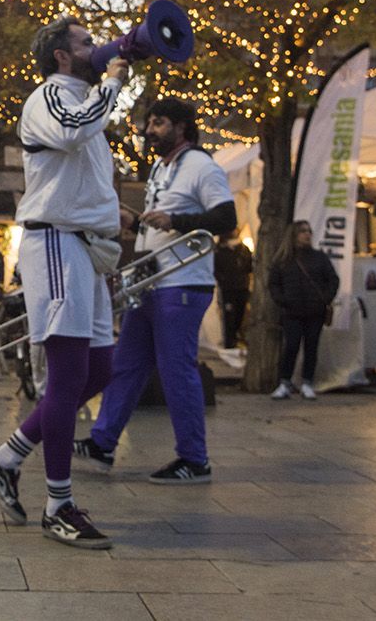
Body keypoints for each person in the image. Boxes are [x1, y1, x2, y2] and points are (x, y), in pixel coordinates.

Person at [0, 17, 128, 549]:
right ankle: (58, 505)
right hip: (57, 243)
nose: (97, 47)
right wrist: (112, 84)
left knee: (103, 365)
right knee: (66, 377)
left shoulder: (84, 100)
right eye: (86, 42)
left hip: (84, 246)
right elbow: (70, 131)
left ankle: (7, 457)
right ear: (62, 57)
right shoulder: (49, 97)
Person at [78, 96, 235, 485]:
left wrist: (176, 219)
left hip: (181, 283)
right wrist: (135, 221)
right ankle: (102, 442)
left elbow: (225, 216)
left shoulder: (200, 165)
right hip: (151, 281)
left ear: (182, 127)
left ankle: (194, 459)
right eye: (149, 123)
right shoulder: (162, 169)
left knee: (176, 369)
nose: (150, 131)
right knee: (127, 364)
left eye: (159, 123)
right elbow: (163, 221)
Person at [268, 221, 339, 400]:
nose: (307, 235)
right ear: (294, 235)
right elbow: (273, 283)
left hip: (314, 311)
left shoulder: (319, 258)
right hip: (292, 311)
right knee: (291, 346)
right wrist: (283, 300)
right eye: (302, 232)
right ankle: (285, 382)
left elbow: (333, 280)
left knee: (311, 347)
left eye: (309, 231)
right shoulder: (283, 260)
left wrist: (325, 299)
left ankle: (307, 382)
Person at [214, 231, 254, 351]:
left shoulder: (243, 249)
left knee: (239, 315)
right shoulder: (218, 252)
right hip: (228, 289)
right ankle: (229, 342)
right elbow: (216, 269)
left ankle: (236, 338)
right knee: (229, 316)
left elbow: (249, 267)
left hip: (242, 287)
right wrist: (223, 280)